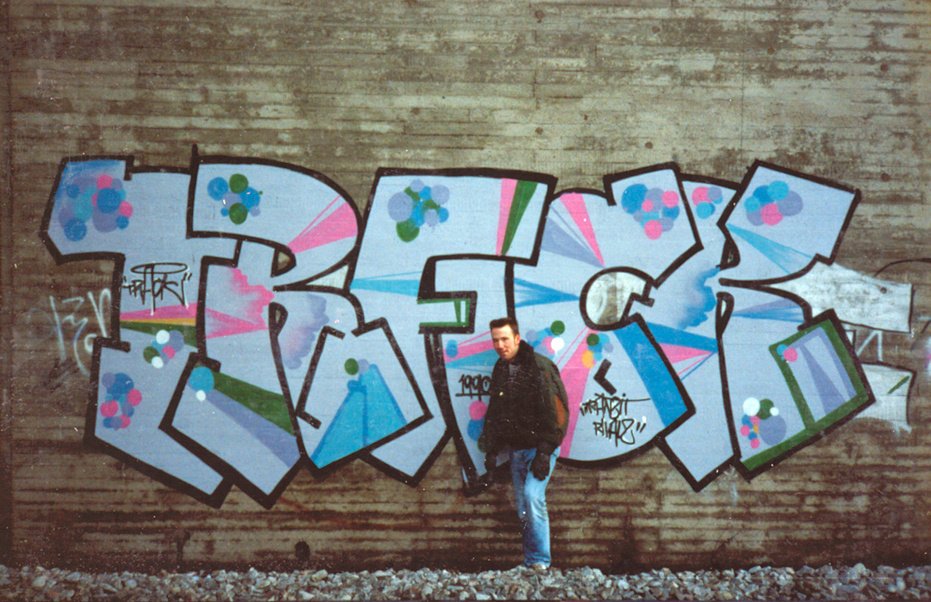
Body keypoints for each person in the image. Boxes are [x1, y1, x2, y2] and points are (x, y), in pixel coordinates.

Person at [478, 316, 569, 571]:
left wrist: (544, 453)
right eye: (495, 340)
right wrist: (491, 450)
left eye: (505, 339)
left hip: (541, 449)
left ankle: (540, 562)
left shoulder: (539, 367)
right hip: (517, 451)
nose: (500, 345)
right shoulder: (501, 368)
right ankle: (531, 562)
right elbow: (496, 410)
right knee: (524, 509)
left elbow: (558, 413)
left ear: (517, 338)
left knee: (532, 497)